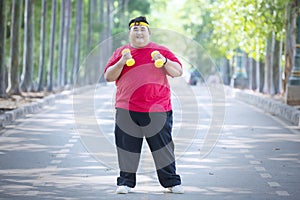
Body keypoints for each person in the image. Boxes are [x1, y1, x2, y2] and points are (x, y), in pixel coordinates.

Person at [104, 16, 184, 194]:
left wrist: (164, 61)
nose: (139, 32)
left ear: (149, 32)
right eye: (135, 29)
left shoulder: (161, 50)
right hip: (126, 108)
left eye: (142, 29)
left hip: (158, 108)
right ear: (129, 33)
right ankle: (125, 182)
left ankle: (171, 182)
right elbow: (109, 77)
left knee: (163, 148)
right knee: (127, 148)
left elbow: (177, 71)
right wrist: (121, 62)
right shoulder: (121, 52)